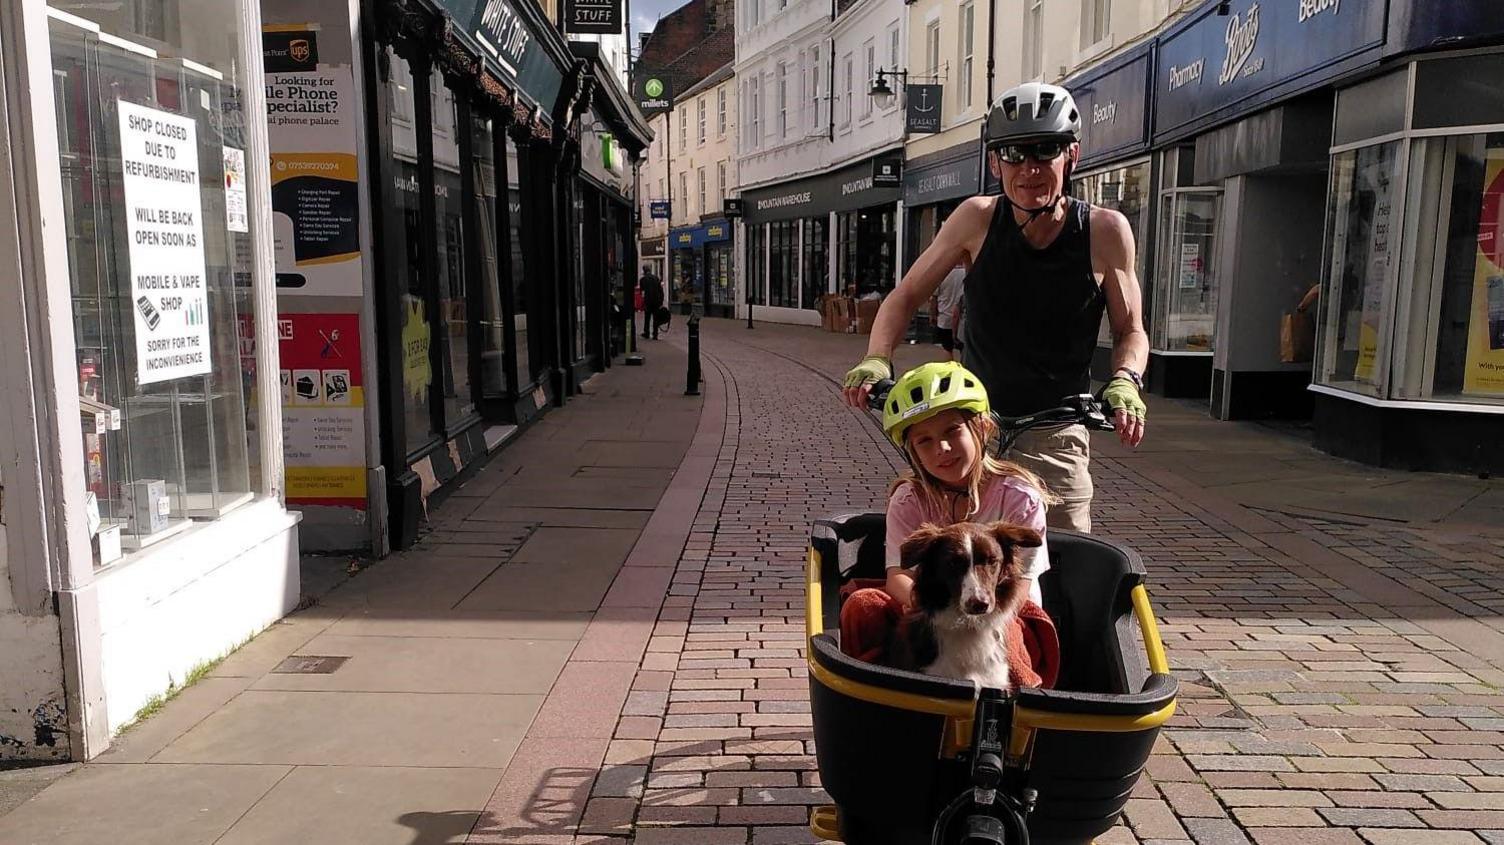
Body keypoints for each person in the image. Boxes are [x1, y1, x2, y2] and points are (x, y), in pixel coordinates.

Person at [841, 82, 1149, 533]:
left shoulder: (1104, 231)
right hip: (972, 426)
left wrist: (1126, 381)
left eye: (1046, 152)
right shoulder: (977, 219)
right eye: (1013, 155)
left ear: (1072, 156)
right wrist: (876, 358)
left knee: (1064, 558)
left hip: (1056, 431)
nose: (1030, 169)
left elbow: (1131, 330)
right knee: (955, 556)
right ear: (994, 162)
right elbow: (905, 295)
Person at [873, 362, 1055, 608]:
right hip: (937, 615)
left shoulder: (1019, 498)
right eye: (924, 440)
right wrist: (941, 616)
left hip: (1009, 616)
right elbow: (898, 578)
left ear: (982, 427)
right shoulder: (909, 500)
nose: (942, 448)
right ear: (912, 451)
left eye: (952, 430)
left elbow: (1022, 583)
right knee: (865, 605)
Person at [931, 262, 967, 361]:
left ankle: (950, 372)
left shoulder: (942, 274)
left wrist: (933, 315)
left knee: (947, 348)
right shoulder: (967, 272)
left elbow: (934, 298)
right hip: (962, 320)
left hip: (944, 318)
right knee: (964, 350)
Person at [639, 266, 664, 340]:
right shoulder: (656, 278)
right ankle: (655, 334)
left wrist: (643, 302)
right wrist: (661, 301)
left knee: (647, 317)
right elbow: (661, 291)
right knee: (656, 318)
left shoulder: (643, 280)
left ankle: (646, 332)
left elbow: (642, 292)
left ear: (644, 271)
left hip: (648, 301)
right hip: (656, 301)